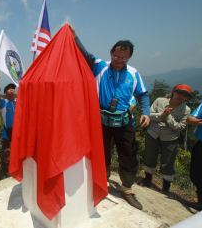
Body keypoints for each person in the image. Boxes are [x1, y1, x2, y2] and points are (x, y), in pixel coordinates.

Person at [73, 33, 150, 210]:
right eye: (116, 56)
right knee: (101, 153)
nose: (119, 59)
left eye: (124, 57)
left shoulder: (133, 73)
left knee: (128, 155)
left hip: (124, 122)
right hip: (100, 121)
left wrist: (146, 112)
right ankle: (101, 183)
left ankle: (127, 189)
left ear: (129, 57)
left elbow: (143, 94)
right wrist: (74, 36)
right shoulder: (100, 66)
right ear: (111, 53)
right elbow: (85, 54)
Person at [141, 84, 192, 193]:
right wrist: (161, 115)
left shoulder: (186, 110)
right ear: (173, 92)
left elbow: (180, 127)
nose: (181, 96)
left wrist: (168, 117)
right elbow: (148, 114)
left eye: (184, 95)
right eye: (179, 92)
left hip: (170, 138)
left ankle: (166, 187)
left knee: (168, 162)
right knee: (150, 156)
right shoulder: (160, 101)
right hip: (153, 133)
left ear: (187, 97)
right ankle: (147, 180)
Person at [0, 73, 16, 175]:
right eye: (9, 88)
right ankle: (6, 172)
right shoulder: (3, 102)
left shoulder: (18, 101)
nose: (12, 90)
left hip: (18, 132)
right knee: (6, 153)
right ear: (6, 92)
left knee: (16, 152)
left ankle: (16, 171)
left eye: (13, 88)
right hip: (7, 132)